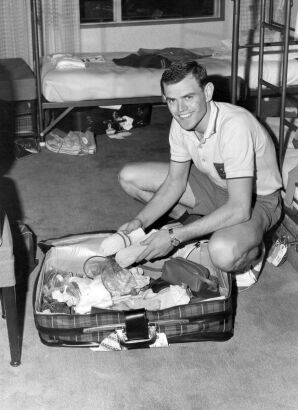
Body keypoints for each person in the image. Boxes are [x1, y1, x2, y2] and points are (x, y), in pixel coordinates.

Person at [118, 61, 282, 290]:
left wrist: (177, 236)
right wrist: (139, 222)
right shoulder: (182, 122)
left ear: (207, 92)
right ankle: (200, 227)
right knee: (129, 177)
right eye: (171, 100)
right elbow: (174, 183)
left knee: (223, 253)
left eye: (188, 97)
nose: (180, 109)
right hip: (214, 185)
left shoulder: (235, 126)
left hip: (256, 201)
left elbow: (240, 208)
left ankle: (254, 249)